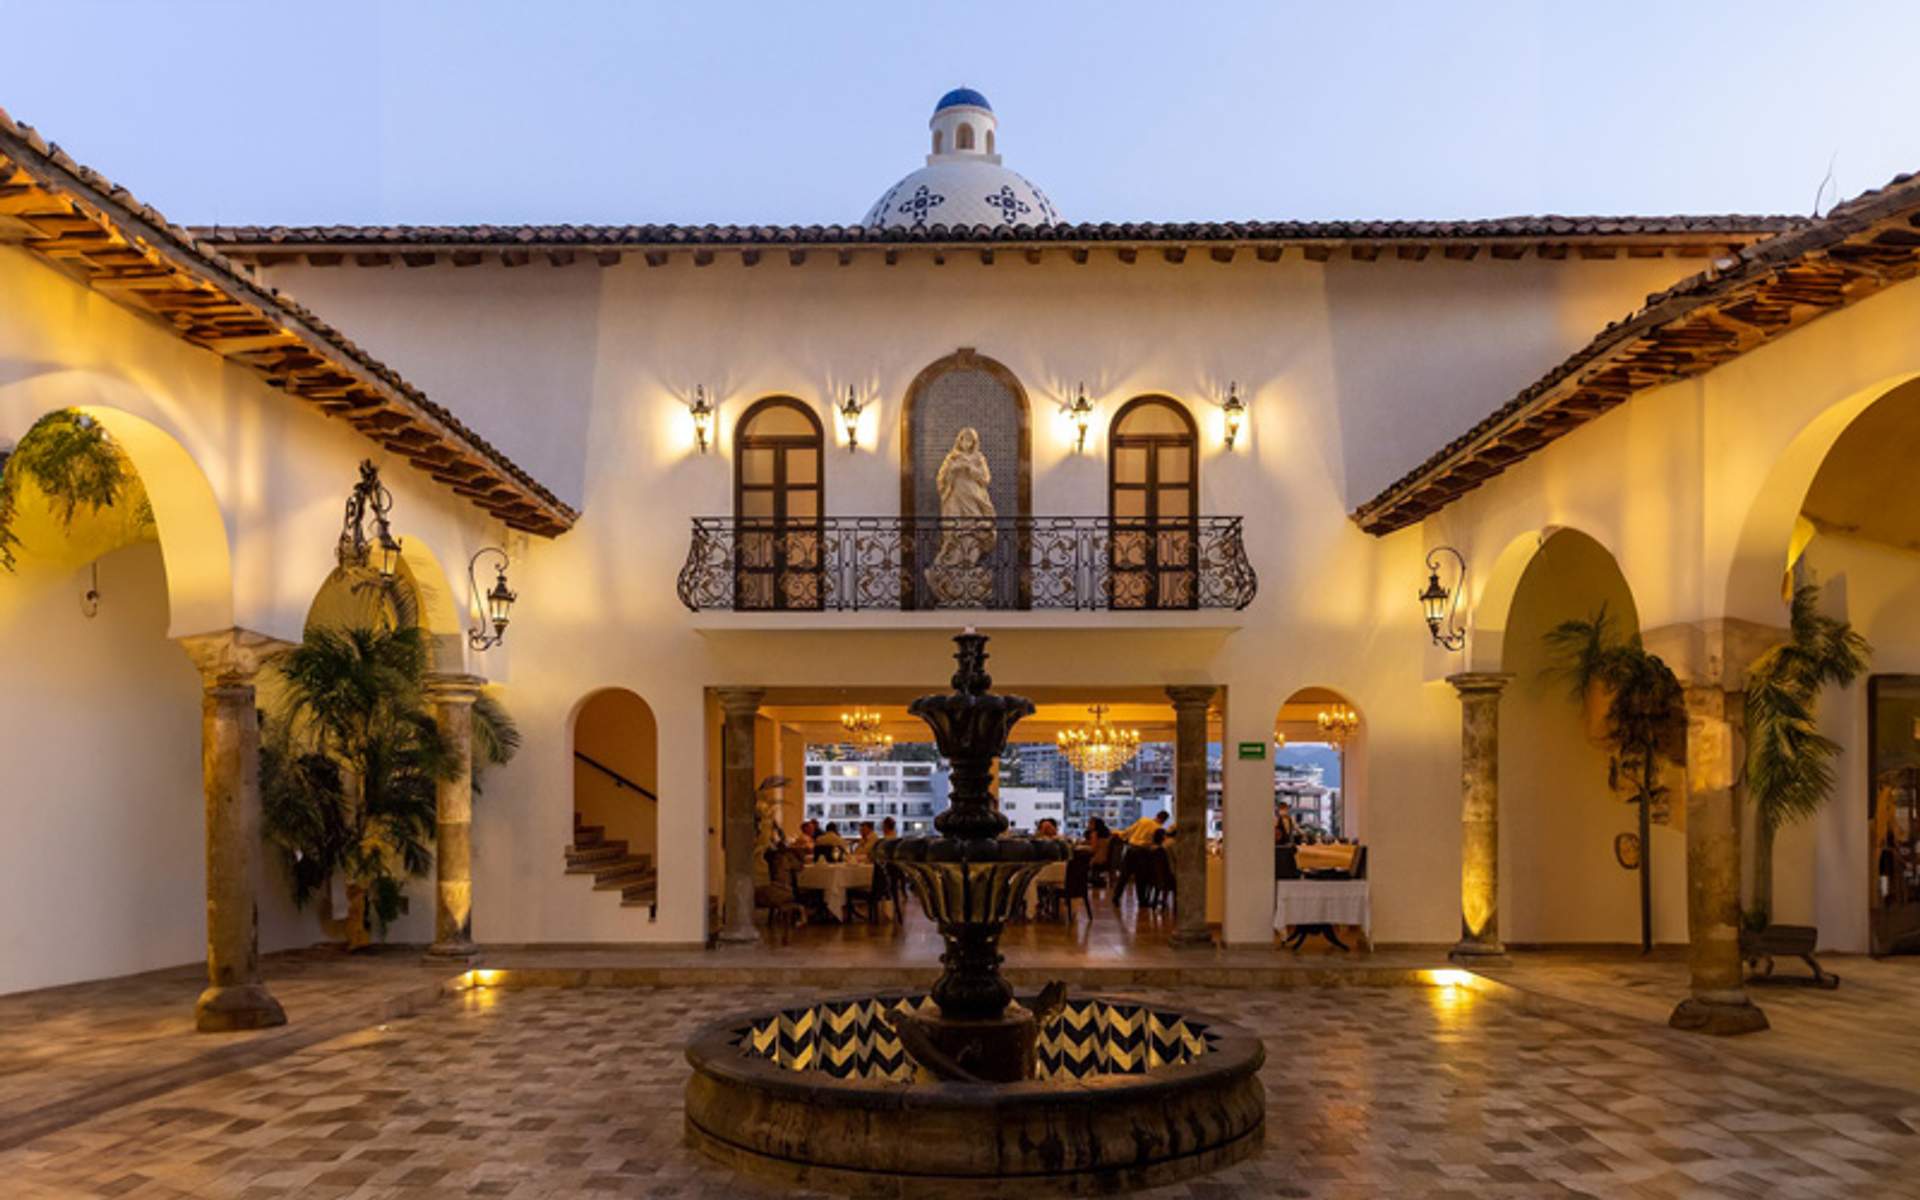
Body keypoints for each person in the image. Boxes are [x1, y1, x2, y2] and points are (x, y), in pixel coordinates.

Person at [1113, 811, 1170, 906]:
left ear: (1156, 815)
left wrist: (1118, 833)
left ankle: (1116, 897)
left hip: (1130, 850)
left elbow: (1128, 831)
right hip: (1142, 853)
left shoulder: (1143, 820)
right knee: (1141, 877)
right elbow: (1156, 844)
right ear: (1164, 820)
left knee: (1124, 876)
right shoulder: (1159, 828)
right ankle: (1142, 900)